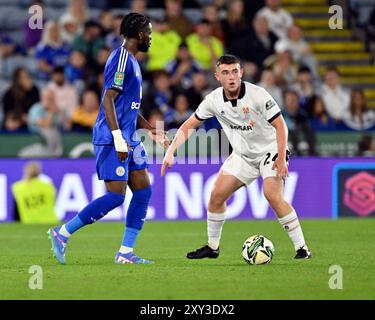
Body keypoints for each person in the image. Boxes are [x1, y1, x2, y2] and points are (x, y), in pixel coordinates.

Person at [162, 54, 311, 260]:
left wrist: (281, 155)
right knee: (216, 196)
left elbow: (280, 125)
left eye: (234, 71)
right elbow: (189, 125)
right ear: (217, 76)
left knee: (272, 195)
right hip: (243, 155)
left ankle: (302, 248)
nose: (231, 77)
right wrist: (171, 151)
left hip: (271, 150)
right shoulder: (213, 100)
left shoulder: (258, 94)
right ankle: (212, 247)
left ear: (241, 72)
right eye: (225, 72)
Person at [48, 12, 170, 265]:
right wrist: (117, 139)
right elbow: (108, 100)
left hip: (129, 137)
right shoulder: (122, 59)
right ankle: (62, 233)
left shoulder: (134, 62)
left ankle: (125, 252)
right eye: (148, 33)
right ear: (138, 34)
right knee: (116, 196)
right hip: (111, 137)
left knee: (143, 191)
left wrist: (150, 129)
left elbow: (129, 106)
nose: (151, 38)